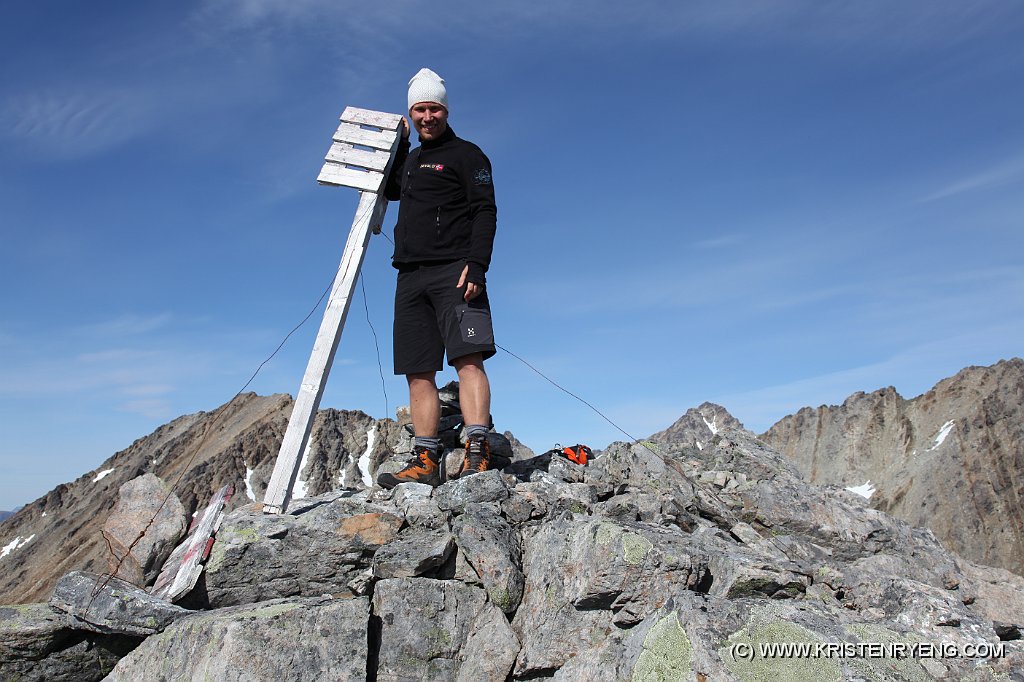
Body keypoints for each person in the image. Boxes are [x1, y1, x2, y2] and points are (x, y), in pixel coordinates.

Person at [377, 68, 498, 489]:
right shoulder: (410, 161)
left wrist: (478, 264)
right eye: (419, 109)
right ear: (410, 112)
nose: (426, 116)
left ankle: (477, 452)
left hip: (456, 270)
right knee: (418, 369)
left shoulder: (468, 155)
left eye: (434, 108)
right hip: (409, 275)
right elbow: (390, 189)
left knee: (469, 357)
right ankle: (426, 459)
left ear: (445, 110)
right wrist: (399, 144)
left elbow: (486, 210)